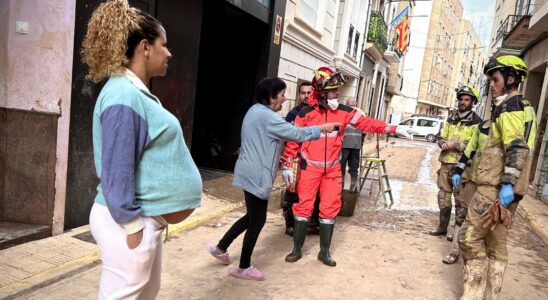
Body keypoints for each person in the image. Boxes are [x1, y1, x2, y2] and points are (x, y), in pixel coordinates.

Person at [82, 0, 201, 298]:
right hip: (128, 222)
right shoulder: (123, 95)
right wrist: (134, 226)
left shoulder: (134, 92)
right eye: (165, 44)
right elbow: (116, 169)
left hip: (142, 220)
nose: (169, 53)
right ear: (145, 47)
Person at [206, 77, 338, 281]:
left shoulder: (254, 111)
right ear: (271, 96)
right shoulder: (269, 117)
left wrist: (279, 160)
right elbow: (295, 133)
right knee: (258, 220)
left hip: (248, 169)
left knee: (251, 216)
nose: (285, 99)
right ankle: (243, 267)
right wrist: (322, 128)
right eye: (282, 94)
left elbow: (262, 142)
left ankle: (220, 247)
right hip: (257, 174)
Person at [281, 66, 412, 267]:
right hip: (309, 169)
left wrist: (393, 128)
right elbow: (293, 140)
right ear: (322, 92)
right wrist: (287, 164)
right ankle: (296, 249)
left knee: (329, 210)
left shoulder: (345, 112)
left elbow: (368, 124)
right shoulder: (305, 113)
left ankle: (324, 253)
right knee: (303, 208)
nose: (337, 93)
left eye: (337, 90)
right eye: (333, 90)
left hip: (332, 171)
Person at [458, 55, 536, 299]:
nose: (491, 85)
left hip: (493, 187)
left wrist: (506, 184)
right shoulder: (526, 107)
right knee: (496, 243)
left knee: (468, 239)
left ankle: (473, 294)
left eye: (495, 80)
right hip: (509, 190)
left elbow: (515, 146)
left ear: (511, 79)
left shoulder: (510, 106)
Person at [429, 86, 482, 238]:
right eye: (461, 99)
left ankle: (456, 233)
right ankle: (442, 227)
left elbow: (475, 146)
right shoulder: (451, 119)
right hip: (446, 163)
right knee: (443, 197)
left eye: (467, 100)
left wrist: (455, 145)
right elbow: (440, 136)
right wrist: (442, 142)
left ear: (473, 102)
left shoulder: (477, 122)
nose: (463, 102)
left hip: (463, 167)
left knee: (460, 201)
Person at [282, 81, 321, 236]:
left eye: (309, 92)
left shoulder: (318, 111)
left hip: (314, 161)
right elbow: (288, 138)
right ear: (299, 95)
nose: (306, 96)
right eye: (303, 93)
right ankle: (290, 224)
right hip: (297, 160)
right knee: (292, 192)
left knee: (316, 192)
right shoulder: (293, 114)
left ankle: (312, 222)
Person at [341, 98, 366, 190]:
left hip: (343, 144)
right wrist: (361, 142)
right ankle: (353, 186)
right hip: (356, 145)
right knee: (354, 167)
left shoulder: (343, 112)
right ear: (356, 104)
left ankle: (340, 186)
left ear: (346, 104)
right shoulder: (361, 113)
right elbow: (364, 131)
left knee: (341, 166)